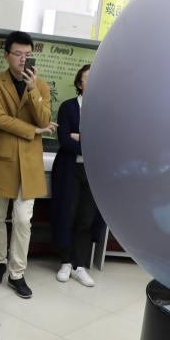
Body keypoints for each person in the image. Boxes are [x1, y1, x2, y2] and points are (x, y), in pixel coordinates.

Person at [0, 31, 55, 299]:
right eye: (18, 54)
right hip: (2, 159)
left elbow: (45, 118)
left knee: (23, 220)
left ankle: (17, 273)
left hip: (29, 164)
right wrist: (34, 131)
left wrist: (33, 90)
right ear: (7, 55)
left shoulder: (41, 86)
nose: (23, 59)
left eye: (28, 54)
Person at [50, 64, 102, 287]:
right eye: (88, 77)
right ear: (79, 83)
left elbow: (106, 142)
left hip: (92, 173)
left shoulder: (104, 110)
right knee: (67, 215)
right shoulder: (68, 107)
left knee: (86, 218)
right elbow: (65, 140)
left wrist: (80, 137)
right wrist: (90, 143)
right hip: (69, 169)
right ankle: (65, 262)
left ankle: (79, 265)